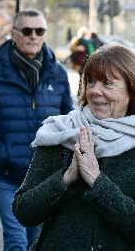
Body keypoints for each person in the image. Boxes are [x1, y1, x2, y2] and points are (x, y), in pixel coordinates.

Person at [0, 10, 74, 251]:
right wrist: (4, 155)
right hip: (7, 175)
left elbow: (69, 120)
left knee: (37, 241)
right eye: (27, 31)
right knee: (16, 240)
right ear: (14, 34)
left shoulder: (57, 73)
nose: (33, 36)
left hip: (44, 177)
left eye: (40, 31)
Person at [12, 44, 135, 250]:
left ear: (131, 88)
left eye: (107, 83)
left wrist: (97, 181)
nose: (95, 91)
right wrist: (65, 178)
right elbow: (24, 211)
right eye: (90, 81)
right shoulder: (60, 133)